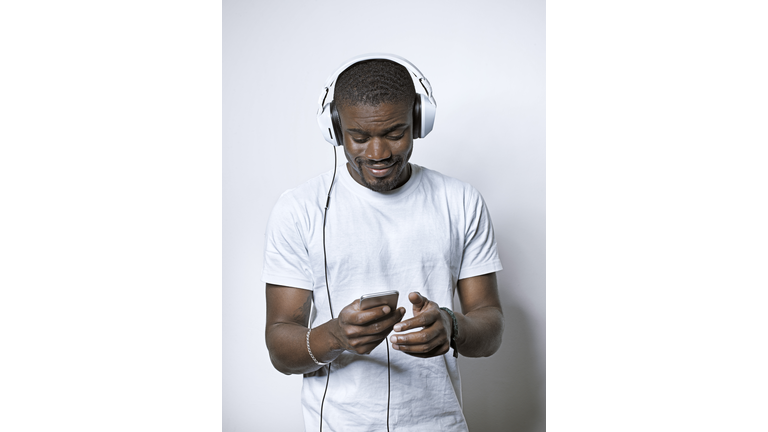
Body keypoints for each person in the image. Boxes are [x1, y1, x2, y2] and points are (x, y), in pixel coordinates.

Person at [262, 54, 504, 432]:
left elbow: (491, 329)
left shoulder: (461, 201)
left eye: (394, 133)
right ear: (335, 128)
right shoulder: (299, 209)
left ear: (419, 121)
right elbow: (280, 347)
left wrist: (452, 326)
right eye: (359, 138)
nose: (378, 154)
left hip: (439, 424)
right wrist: (335, 336)